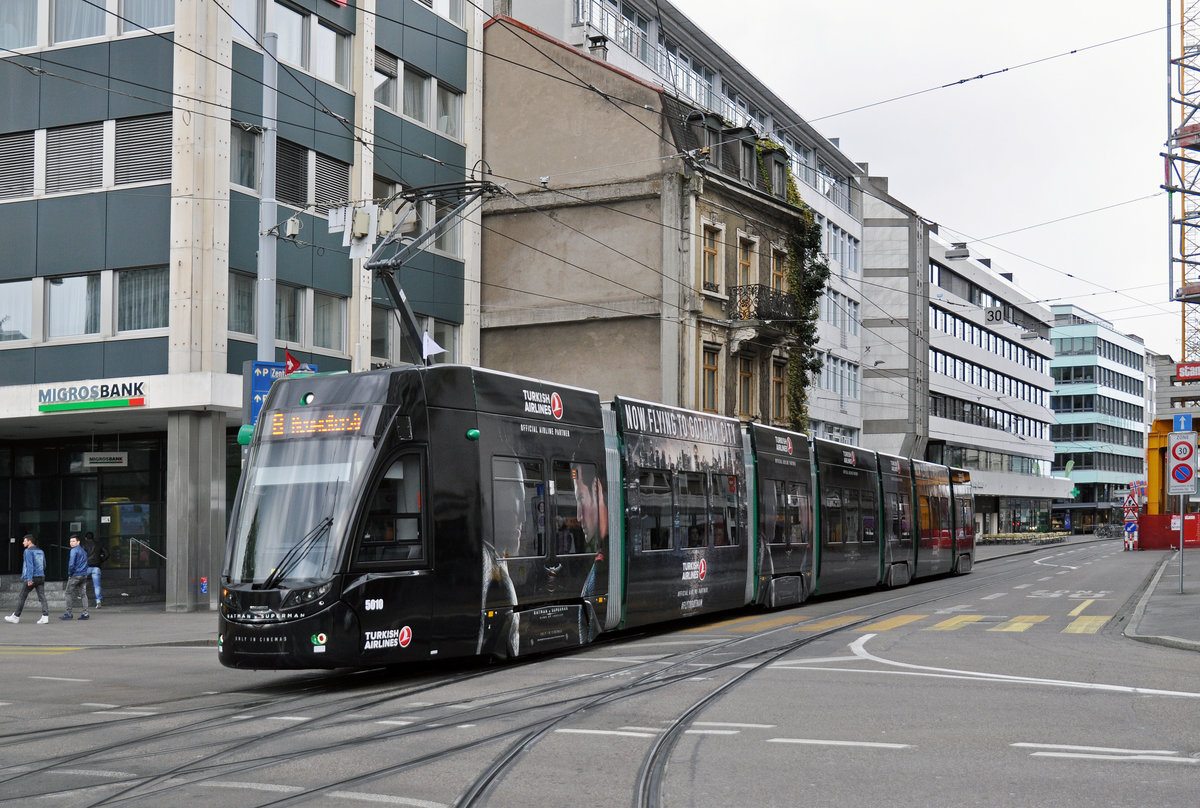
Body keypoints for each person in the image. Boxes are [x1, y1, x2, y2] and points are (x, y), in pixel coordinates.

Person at [5, 535, 49, 625]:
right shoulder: (41, 551)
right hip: (41, 576)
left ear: (29, 541)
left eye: (25, 541)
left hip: (32, 577)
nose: (23, 543)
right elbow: (44, 565)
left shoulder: (27, 551)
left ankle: (16, 616)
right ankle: (45, 616)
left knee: (22, 596)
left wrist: (29, 579)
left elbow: (29, 566)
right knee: (42, 597)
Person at [61, 535, 90, 621]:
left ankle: (69, 613)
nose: (71, 543)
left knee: (68, 593)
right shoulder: (83, 551)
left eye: (73, 541)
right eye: (70, 541)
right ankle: (85, 613)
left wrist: (70, 574)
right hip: (84, 575)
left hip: (75, 575)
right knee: (83, 594)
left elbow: (71, 564)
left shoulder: (73, 550)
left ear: (78, 542)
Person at [81, 531, 107, 608]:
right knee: (97, 586)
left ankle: (81, 597)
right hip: (96, 567)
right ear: (93, 537)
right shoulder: (99, 544)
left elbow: (81, 556)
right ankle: (98, 601)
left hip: (86, 567)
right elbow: (107, 554)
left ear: (86, 538)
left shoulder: (83, 545)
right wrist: (101, 560)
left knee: (81, 583)